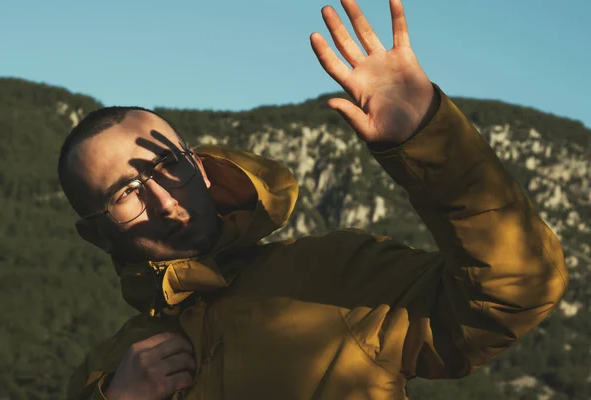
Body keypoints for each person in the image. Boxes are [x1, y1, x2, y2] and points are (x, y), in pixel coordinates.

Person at [63, 0, 569, 398]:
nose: (164, 201)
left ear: (197, 164)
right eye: (126, 193)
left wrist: (432, 139)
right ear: (95, 231)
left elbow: (515, 292)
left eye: (167, 167)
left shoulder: (341, 273)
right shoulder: (103, 373)